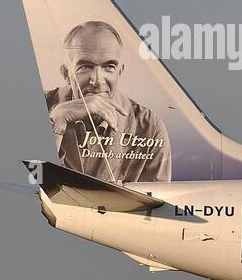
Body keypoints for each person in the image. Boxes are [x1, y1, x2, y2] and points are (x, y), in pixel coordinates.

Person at [45, 20, 172, 183]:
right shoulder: (36, 106)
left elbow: (158, 203)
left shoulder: (148, 127)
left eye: (109, 66)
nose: (97, 80)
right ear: (66, 74)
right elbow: (22, 185)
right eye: (85, 66)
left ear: (120, 71)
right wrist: (55, 123)